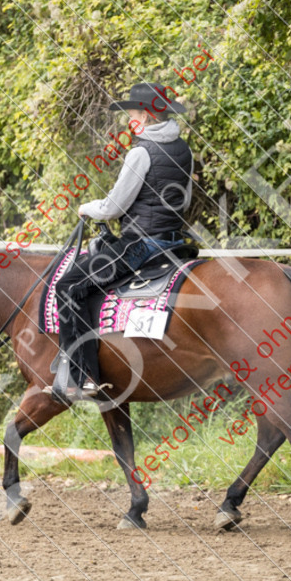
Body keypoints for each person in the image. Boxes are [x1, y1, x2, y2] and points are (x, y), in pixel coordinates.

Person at [52, 82, 194, 401]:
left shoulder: (140, 152)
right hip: (176, 242)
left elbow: (113, 208)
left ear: (143, 116)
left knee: (69, 287)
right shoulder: (184, 149)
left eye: (130, 113)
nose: (127, 119)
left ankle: (83, 377)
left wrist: (85, 208)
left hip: (141, 246)